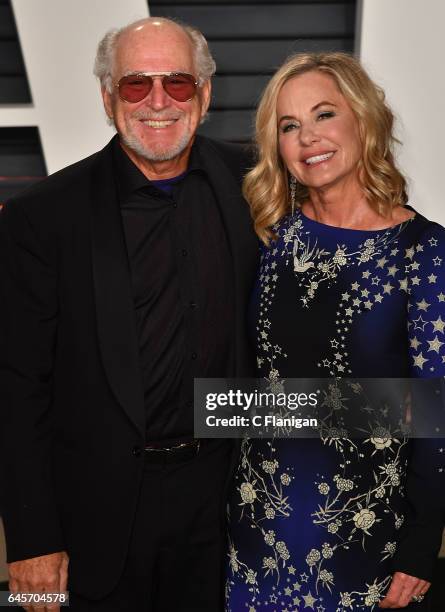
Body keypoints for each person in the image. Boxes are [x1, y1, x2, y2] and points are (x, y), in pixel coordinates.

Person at [0, 17, 258, 612]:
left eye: (179, 83)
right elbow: (16, 388)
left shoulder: (257, 186)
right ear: (107, 96)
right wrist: (31, 540)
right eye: (137, 84)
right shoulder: (40, 217)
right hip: (94, 523)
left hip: (227, 512)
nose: (159, 102)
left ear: (207, 94)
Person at [227, 52, 445, 611]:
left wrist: (420, 546)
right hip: (255, 535)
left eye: (324, 115)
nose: (308, 139)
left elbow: (437, 408)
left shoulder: (423, 251)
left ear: (363, 120)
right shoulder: (272, 237)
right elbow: (251, 388)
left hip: (366, 544)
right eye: (289, 125)